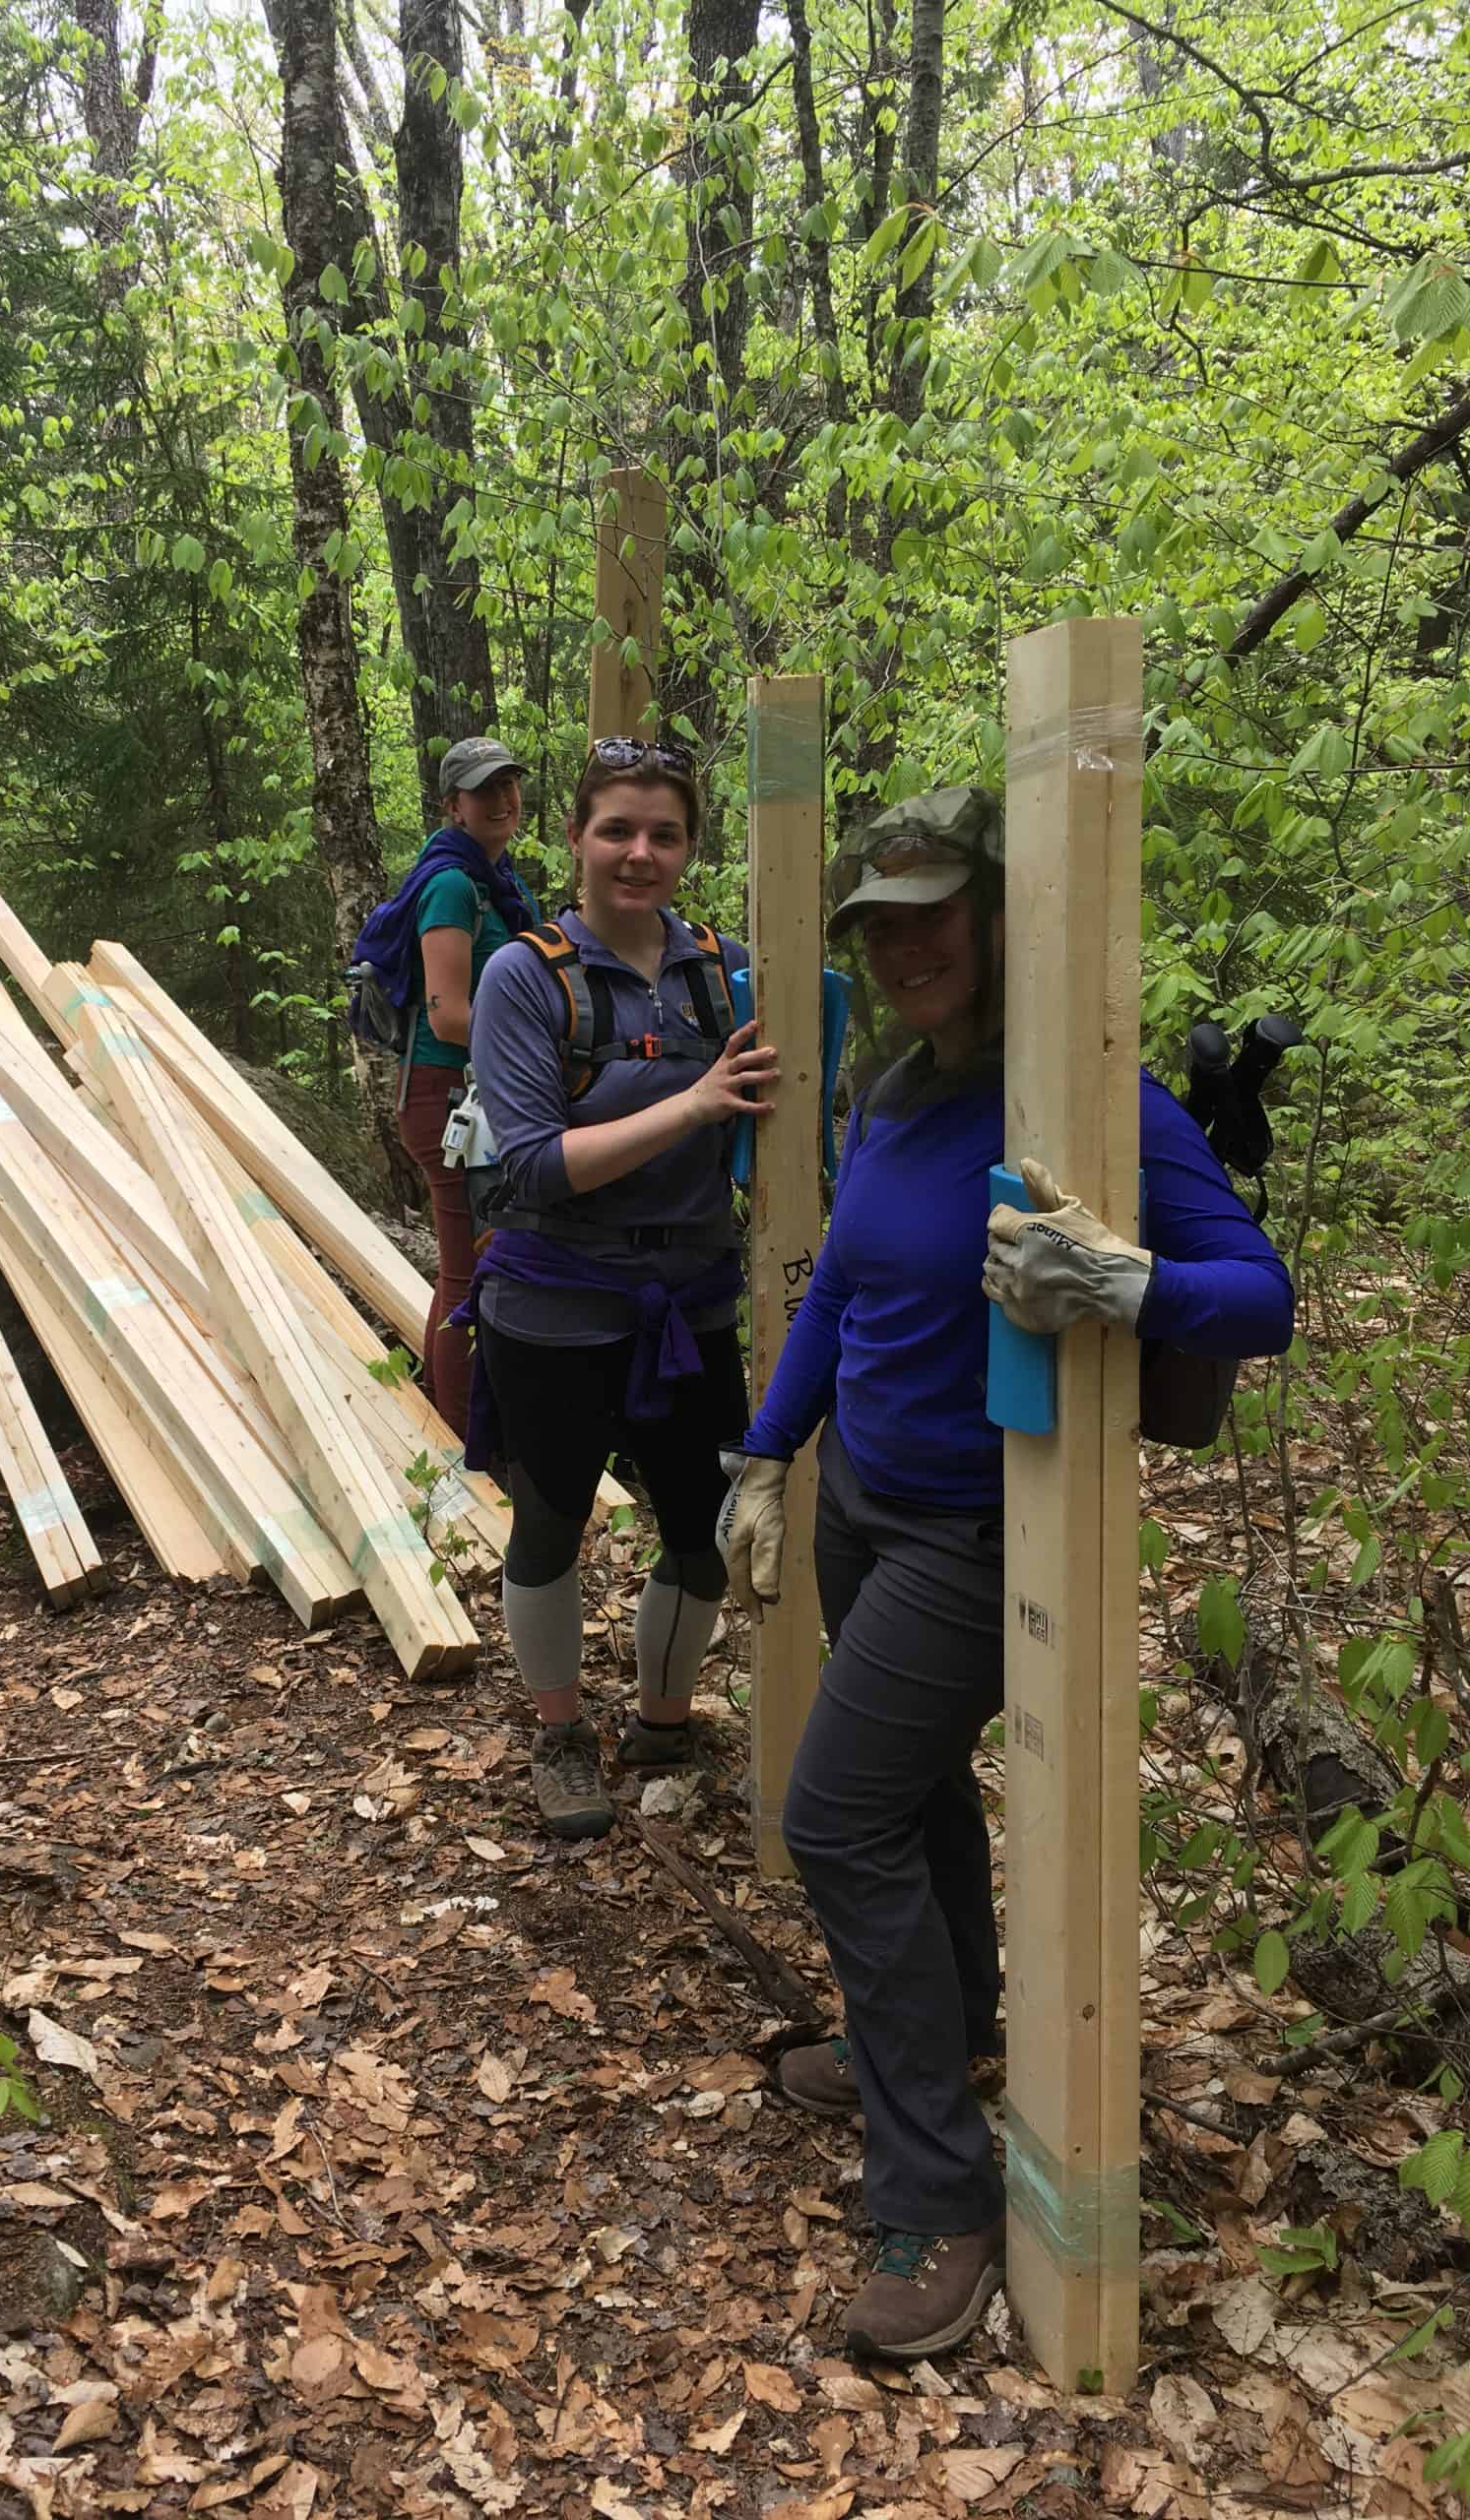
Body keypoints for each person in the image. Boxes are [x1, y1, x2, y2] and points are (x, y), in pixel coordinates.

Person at [718, 785, 1295, 2362]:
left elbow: (1259, 1295)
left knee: (833, 1818)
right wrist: (768, 1451)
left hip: (977, 1541)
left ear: (991, 916)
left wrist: (1124, 1281)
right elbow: (840, 1289)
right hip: (864, 1505)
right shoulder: (893, 1087)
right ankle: (938, 2030)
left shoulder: (1083, 1096)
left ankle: (939, 2193)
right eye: (878, 928)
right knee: (903, 1799)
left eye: (932, 916)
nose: (906, 948)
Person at [462, 741, 779, 1840]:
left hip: (690, 1302)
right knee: (551, 1522)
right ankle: (560, 1735)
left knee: (704, 1531)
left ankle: (662, 1721)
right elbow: (530, 1166)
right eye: (617, 830)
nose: (640, 854)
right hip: (554, 1303)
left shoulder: (727, 970)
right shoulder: (523, 977)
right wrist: (693, 1103)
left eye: (665, 834)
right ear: (576, 837)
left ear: (689, 848)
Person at [395, 737, 541, 1436]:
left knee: (471, 1267)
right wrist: (541, 1038)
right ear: (454, 805)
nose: (504, 799)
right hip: (450, 1103)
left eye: (509, 784)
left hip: (484, 1099)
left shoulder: (499, 882)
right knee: (466, 1274)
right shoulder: (452, 885)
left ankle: (454, 1418)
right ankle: (455, 1438)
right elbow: (448, 1014)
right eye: (485, 790)